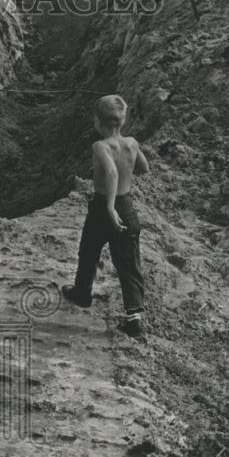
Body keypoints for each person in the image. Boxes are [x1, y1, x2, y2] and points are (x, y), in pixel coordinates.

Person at [62, 95, 150, 336]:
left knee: (89, 250)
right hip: (128, 207)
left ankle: (82, 293)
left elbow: (111, 171)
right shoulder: (131, 143)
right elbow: (144, 168)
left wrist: (110, 207)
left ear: (98, 122)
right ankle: (134, 318)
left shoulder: (100, 146)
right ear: (123, 122)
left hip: (104, 207)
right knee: (129, 263)